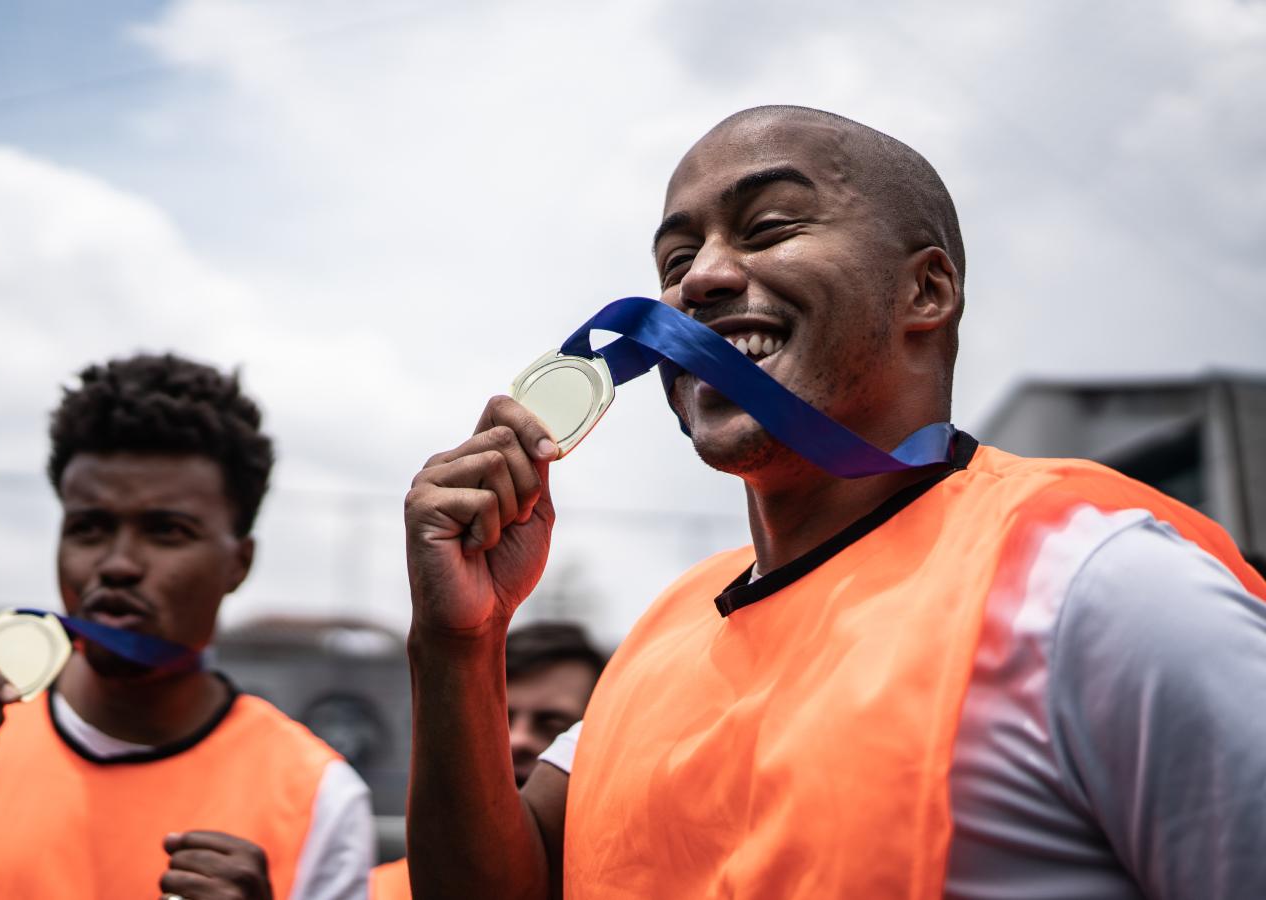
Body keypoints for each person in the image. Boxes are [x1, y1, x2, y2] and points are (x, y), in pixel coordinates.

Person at [402, 105, 1266, 899]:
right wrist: (459, 644)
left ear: (924, 292)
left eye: (769, 227)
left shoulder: (1097, 587)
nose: (697, 281)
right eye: (674, 262)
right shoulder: (659, 642)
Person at [0, 353, 375, 900]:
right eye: (89, 527)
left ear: (239, 563)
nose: (116, 564)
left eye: (166, 530)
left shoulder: (317, 795)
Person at [368, 622, 604, 900]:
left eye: (553, 724)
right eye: (497, 719)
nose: (518, 740)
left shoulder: (617, 887)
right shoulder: (381, 891)